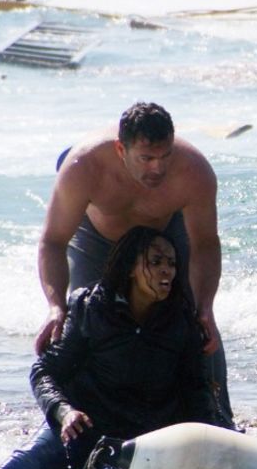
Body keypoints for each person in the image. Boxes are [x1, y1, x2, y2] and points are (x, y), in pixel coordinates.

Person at [0, 227, 233, 469]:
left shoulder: (182, 323)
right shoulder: (90, 307)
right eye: (155, 262)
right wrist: (64, 412)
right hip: (78, 430)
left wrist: (213, 445)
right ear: (130, 268)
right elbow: (44, 371)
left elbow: (196, 392)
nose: (167, 271)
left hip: (137, 443)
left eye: (172, 263)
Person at [35, 101, 232, 425]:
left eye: (165, 156)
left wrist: (205, 307)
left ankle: (218, 422)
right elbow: (53, 241)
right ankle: (67, 425)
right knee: (79, 324)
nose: (157, 168)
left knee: (197, 328)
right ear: (120, 149)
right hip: (98, 240)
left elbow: (206, 245)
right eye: (146, 158)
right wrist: (55, 306)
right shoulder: (83, 166)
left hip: (164, 233)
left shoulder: (193, 171)